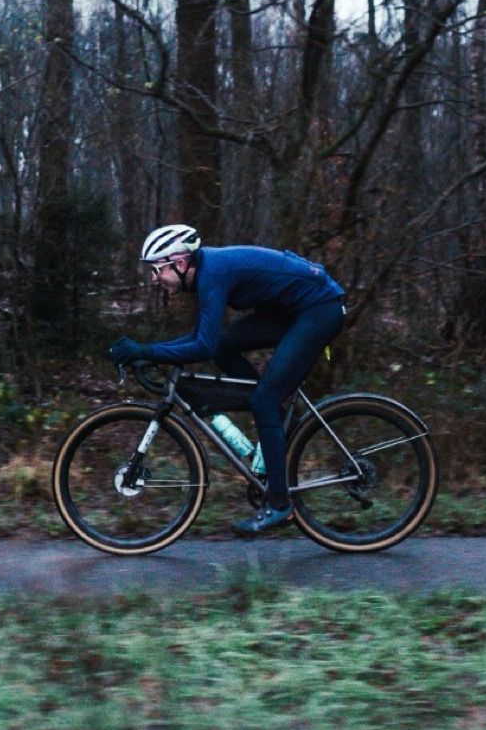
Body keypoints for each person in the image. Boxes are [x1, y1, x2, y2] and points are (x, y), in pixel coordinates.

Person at [108, 224, 346, 537]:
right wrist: (148, 351)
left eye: (157, 270)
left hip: (320, 309)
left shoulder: (212, 275)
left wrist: (146, 351)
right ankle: (273, 415)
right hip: (294, 309)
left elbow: (201, 346)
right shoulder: (206, 272)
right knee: (226, 350)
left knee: (263, 400)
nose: (154, 279)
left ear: (180, 263)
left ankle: (279, 504)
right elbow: (203, 339)